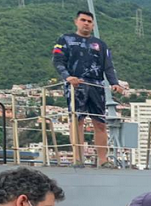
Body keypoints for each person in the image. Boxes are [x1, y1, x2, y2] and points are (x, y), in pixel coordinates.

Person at [53, 10, 124, 165]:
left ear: (93, 25)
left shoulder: (101, 44)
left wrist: (114, 83)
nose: (86, 23)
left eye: (89, 21)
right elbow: (58, 60)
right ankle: (78, 158)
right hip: (75, 85)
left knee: (100, 122)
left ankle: (103, 160)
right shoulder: (65, 39)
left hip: (96, 85)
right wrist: (67, 77)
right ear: (76, 21)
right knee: (77, 120)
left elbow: (108, 67)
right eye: (83, 20)